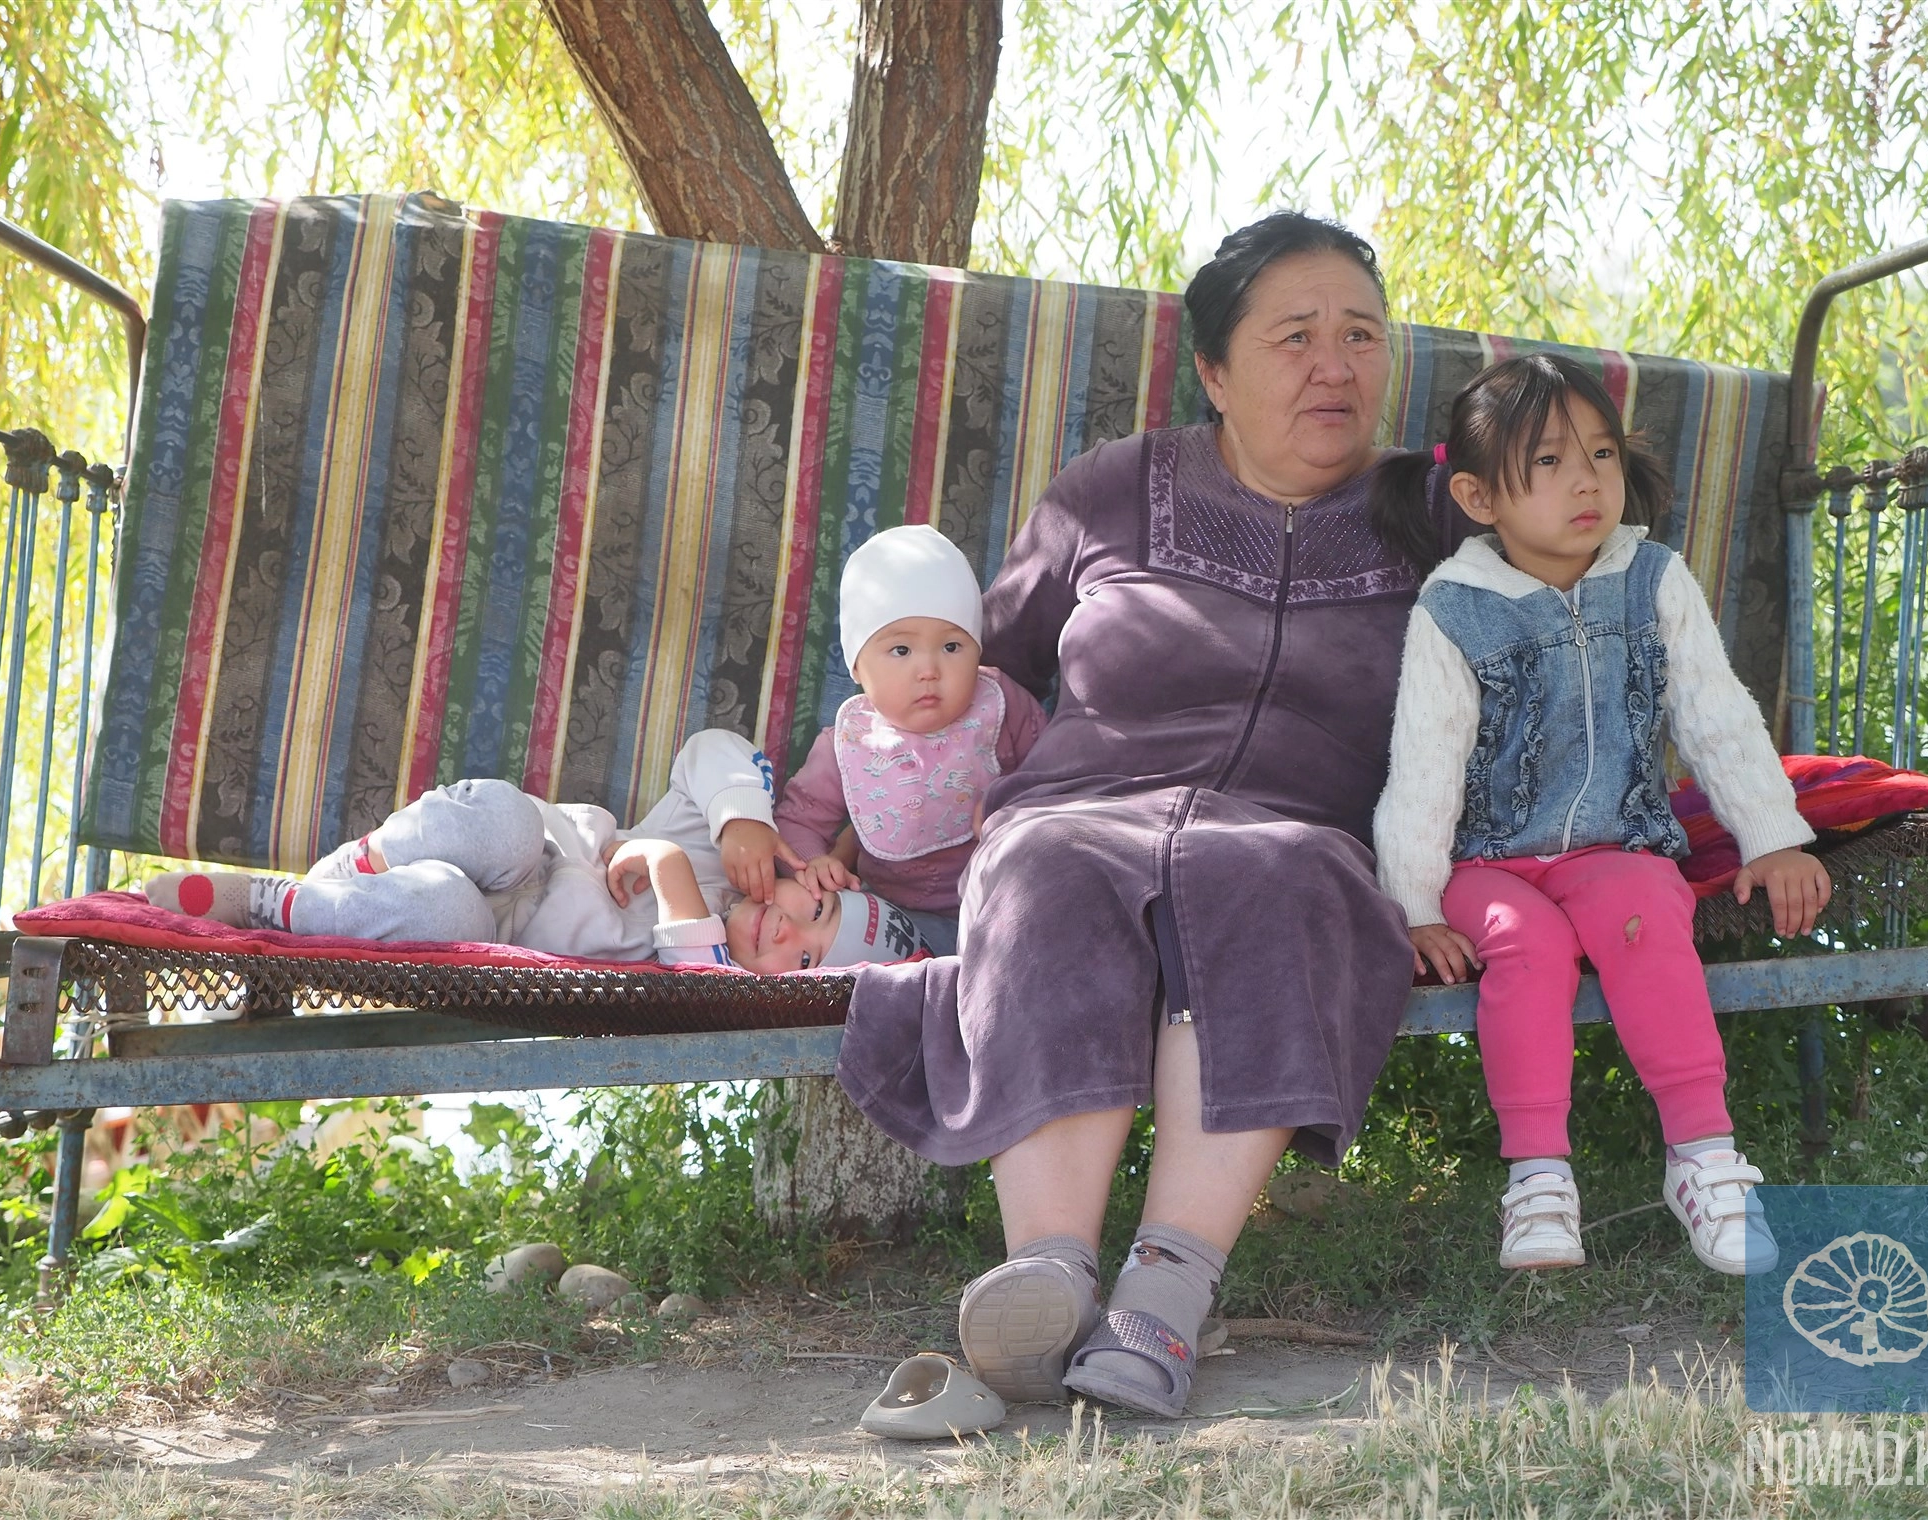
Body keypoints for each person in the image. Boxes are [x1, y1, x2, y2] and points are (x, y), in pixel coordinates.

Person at [837, 212, 1471, 1417]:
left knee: (1281, 877)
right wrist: (839, 814)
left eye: (1359, 336)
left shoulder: (1434, 512)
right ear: (1216, 372)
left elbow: (1552, 625)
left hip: (1294, 826)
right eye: (1294, 337)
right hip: (1082, 804)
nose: (1333, 366)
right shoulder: (1114, 489)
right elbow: (978, 665)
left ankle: (1164, 1298)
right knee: (1043, 864)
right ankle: (1045, 1277)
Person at [1369, 353, 1831, 1277]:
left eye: (1602, 454)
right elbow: (1423, 764)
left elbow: (1713, 713)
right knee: (1528, 946)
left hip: (1614, 843)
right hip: (1485, 864)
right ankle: (1537, 1176)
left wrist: (1773, 837)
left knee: (1647, 910)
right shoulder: (1454, 609)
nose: (1586, 481)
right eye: (1547, 461)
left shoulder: (1650, 578)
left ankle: (1702, 1156)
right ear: (1476, 496)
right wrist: (1414, 902)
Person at [143, 729, 927, 974]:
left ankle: (274, 903)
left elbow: (697, 959)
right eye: (814, 910)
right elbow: (710, 749)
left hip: (496, 927)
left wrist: (661, 862)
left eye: (804, 960)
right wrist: (742, 820)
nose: (786, 931)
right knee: (507, 820)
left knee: (447, 915)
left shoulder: (718, 970)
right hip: (530, 843)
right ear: (810, 879)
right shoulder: (731, 852)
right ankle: (365, 862)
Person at [776, 524, 1050, 956]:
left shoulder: (1000, 704)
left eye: (952, 647)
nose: (929, 670)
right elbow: (797, 822)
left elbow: (1055, 768)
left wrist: (1012, 798)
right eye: (901, 650)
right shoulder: (847, 744)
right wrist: (814, 865)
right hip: (893, 914)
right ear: (857, 667)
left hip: (1004, 893)